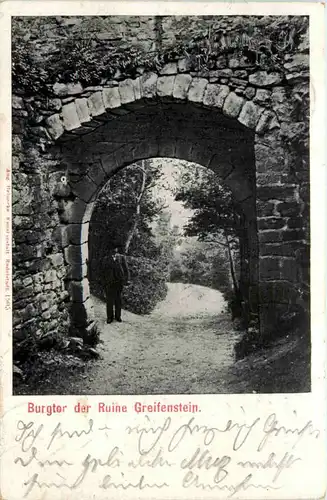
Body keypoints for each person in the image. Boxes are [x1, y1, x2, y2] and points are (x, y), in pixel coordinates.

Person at [104, 247, 130, 323]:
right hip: (109, 282)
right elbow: (103, 271)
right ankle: (109, 317)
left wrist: (126, 280)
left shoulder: (121, 258)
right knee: (109, 300)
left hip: (119, 282)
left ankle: (118, 316)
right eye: (112, 248)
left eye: (115, 248)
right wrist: (104, 281)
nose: (114, 250)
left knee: (118, 299)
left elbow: (126, 270)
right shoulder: (106, 259)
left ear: (117, 249)